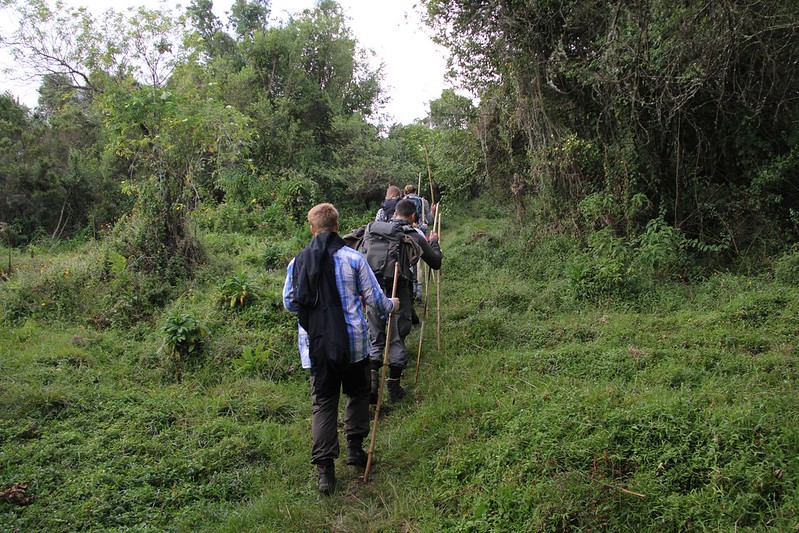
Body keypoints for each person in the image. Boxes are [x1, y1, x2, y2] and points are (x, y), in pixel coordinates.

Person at [283, 203, 400, 495]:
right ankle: (354, 449)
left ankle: (325, 472)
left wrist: (318, 317)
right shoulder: (353, 259)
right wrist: (392, 306)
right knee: (358, 393)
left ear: (312, 228)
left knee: (323, 403)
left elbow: (289, 302)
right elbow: (375, 300)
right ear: (337, 226)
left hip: (316, 347)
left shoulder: (298, 262)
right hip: (354, 345)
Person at [367, 199, 443, 402]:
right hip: (399, 288)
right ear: (412, 217)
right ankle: (394, 387)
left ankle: (372, 384)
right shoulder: (412, 234)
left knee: (375, 336)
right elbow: (435, 262)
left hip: (374, 288)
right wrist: (434, 242)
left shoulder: (374, 230)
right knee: (397, 336)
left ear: (394, 214)